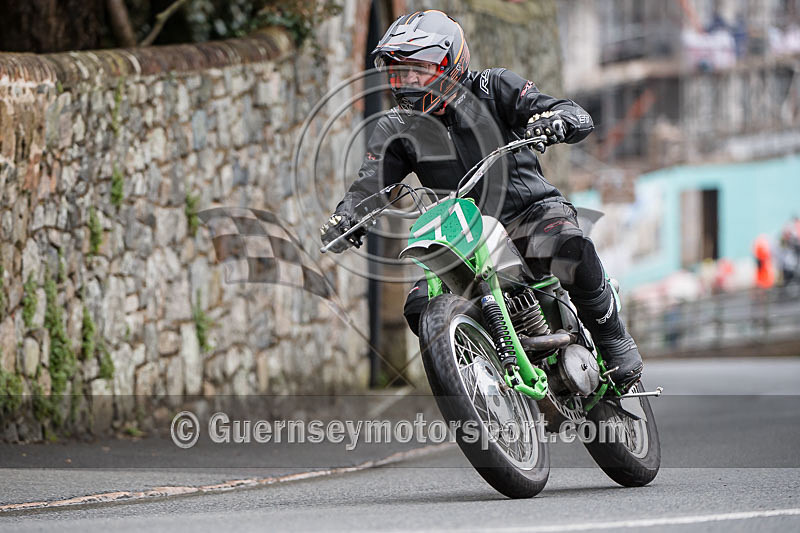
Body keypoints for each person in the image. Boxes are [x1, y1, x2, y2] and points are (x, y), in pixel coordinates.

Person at [319, 10, 643, 390]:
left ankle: (612, 338)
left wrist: (556, 120)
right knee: (420, 306)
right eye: (398, 71)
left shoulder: (492, 86)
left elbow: (569, 111)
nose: (407, 81)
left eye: (417, 69)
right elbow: (369, 185)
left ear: (449, 63)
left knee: (571, 247)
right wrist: (347, 218)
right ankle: (483, 379)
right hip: (464, 235)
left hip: (528, 213)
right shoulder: (396, 128)